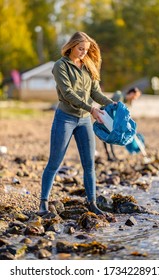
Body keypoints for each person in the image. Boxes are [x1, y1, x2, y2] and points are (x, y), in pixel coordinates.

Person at [38, 31, 114, 216]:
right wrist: (92, 109)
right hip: (65, 118)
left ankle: (92, 203)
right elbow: (68, 94)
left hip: (85, 121)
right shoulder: (60, 66)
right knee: (54, 163)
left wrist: (112, 104)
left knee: (89, 164)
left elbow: (95, 93)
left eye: (86, 50)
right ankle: (43, 204)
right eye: (80, 49)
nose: (83, 53)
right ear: (71, 46)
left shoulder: (88, 66)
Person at [103, 87, 142, 161]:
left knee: (111, 136)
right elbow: (114, 108)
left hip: (112, 117)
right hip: (105, 114)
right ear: (131, 93)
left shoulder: (128, 103)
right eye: (135, 96)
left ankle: (112, 155)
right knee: (108, 135)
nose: (135, 98)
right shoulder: (119, 95)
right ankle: (109, 155)